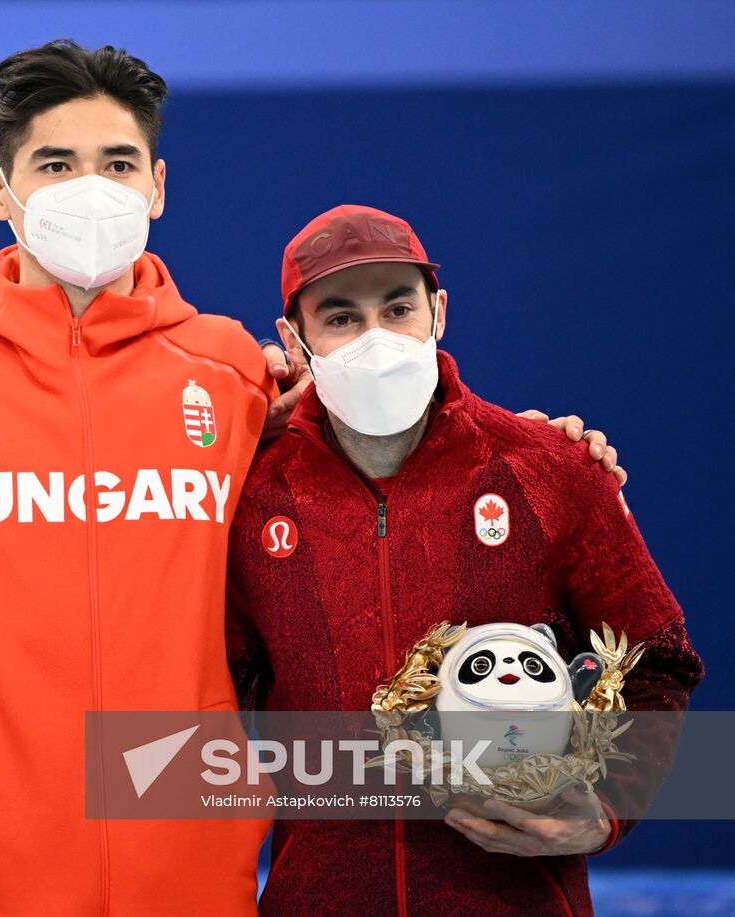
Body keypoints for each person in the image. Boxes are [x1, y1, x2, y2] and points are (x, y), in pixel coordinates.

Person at [0, 40, 276, 915]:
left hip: (191, 869)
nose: (93, 188)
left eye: (118, 163)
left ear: (158, 185)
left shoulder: (233, 371)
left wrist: (541, 449)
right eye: (56, 163)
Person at [225, 204, 703, 916]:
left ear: (438, 311)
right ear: (296, 340)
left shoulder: (547, 468)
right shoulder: (249, 496)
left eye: (397, 307)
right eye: (342, 318)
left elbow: (659, 660)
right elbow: (201, 693)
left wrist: (606, 805)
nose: (377, 338)